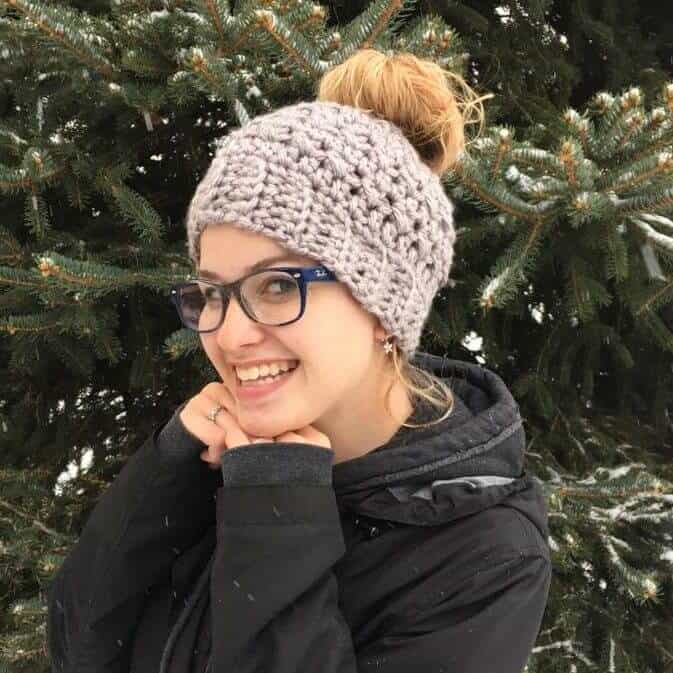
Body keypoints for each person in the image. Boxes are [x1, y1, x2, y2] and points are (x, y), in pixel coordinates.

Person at [47, 49, 551, 673]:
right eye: (211, 293)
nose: (229, 337)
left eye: (279, 286)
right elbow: (77, 646)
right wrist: (167, 469)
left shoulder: (483, 556)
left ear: (381, 304)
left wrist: (276, 502)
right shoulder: (215, 459)